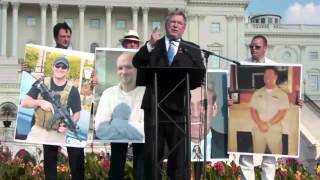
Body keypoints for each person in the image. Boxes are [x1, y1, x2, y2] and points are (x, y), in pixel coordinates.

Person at [133, 9, 205, 179]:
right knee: (152, 154)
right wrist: (149, 45)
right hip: (154, 106)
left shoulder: (191, 49)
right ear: (166, 25)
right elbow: (137, 62)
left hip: (178, 109)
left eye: (179, 23)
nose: (175, 25)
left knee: (179, 157)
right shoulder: (154, 45)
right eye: (172, 22)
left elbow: (197, 75)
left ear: (184, 28)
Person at [22, 22, 84, 180]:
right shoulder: (44, 81)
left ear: (67, 70)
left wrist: (69, 124)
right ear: (56, 37)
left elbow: (77, 112)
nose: (66, 39)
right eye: (63, 36)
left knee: (77, 162)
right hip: (46, 129)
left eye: (68, 36)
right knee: (50, 163)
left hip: (65, 130)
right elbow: (25, 101)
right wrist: (40, 102)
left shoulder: (72, 88)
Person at [95, 51, 145, 180]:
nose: (123, 71)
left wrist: (116, 123)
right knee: (116, 170)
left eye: (128, 67)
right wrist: (134, 126)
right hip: (117, 147)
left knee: (142, 171)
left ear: (136, 69)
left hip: (142, 148)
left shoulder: (146, 92)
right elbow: (101, 129)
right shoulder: (108, 94)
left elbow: (146, 131)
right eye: (120, 68)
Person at [239, 35, 282, 180]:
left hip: (269, 117)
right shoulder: (241, 65)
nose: (253, 49)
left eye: (257, 47)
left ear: (265, 48)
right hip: (247, 115)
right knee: (246, 156)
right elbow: (230, 90)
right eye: (251, 46)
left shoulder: (275, 66)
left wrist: (298, 101)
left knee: (269, 158)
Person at [250, 67, 289, 154]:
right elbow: (253, 110)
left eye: (270, 75)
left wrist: (268, 124)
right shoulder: (257, 93)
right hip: (258, 129)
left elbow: (282, 113)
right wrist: (260, 123)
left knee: (277, 156)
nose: (267, 77)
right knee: (257, 155)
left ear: (276, 77)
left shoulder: (282, 94)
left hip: (274, 130)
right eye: (265, 75)